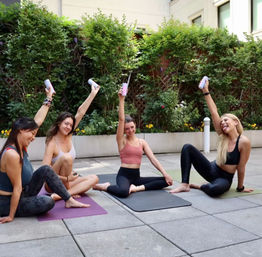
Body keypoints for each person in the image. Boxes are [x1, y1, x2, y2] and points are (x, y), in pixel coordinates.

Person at [0, 88, 88, 224]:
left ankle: (69, 200)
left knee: (46, 169)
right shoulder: (12, 154)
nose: (34, 138)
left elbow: (38, 121)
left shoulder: (20, 145)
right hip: (7, 202)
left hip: (25, 191)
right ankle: (14, 211)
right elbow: (16, 188)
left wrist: (48, 98)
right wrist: (11, 216)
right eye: (32, 134)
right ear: (21, 131)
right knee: (47, 201)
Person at [170, 78, 253, 197]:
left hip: (224, 178)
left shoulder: (244, 142)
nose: (223, 122)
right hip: (211, 169)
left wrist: (240, 188)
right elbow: (214, 112)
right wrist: (206, 91)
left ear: (235, 122)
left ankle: (200, 186)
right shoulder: (223, 135)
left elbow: (241, 167)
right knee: (187, 148)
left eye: (226, 120)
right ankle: (184, 184)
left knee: (215, 190)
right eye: (222, 121)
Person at [93, 88, 173, 197]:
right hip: (124, 175)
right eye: (127, 129)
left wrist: (165, 174)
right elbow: (121, 119)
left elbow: (153, 159)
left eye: (132, 127)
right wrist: (121, 99)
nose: (130, 130)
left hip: (136, 177)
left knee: (166, 181)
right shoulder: (121, 141)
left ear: (135, 125)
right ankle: (105, 186)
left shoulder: (142, 142)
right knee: (123, 192)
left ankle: (137, 188)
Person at [42, 84, 100, 200]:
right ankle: (65, 192)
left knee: (94, 178)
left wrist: (93, 94)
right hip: (53, 183)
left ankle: (63, 195)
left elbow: (81, 112)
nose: (68, 127)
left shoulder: (69, 136)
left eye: (70, 125)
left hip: (67, 181)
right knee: (66, 158)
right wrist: (67, 179)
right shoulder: (52, 142)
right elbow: (44, 171)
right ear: (59, 124)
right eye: (66, 124)